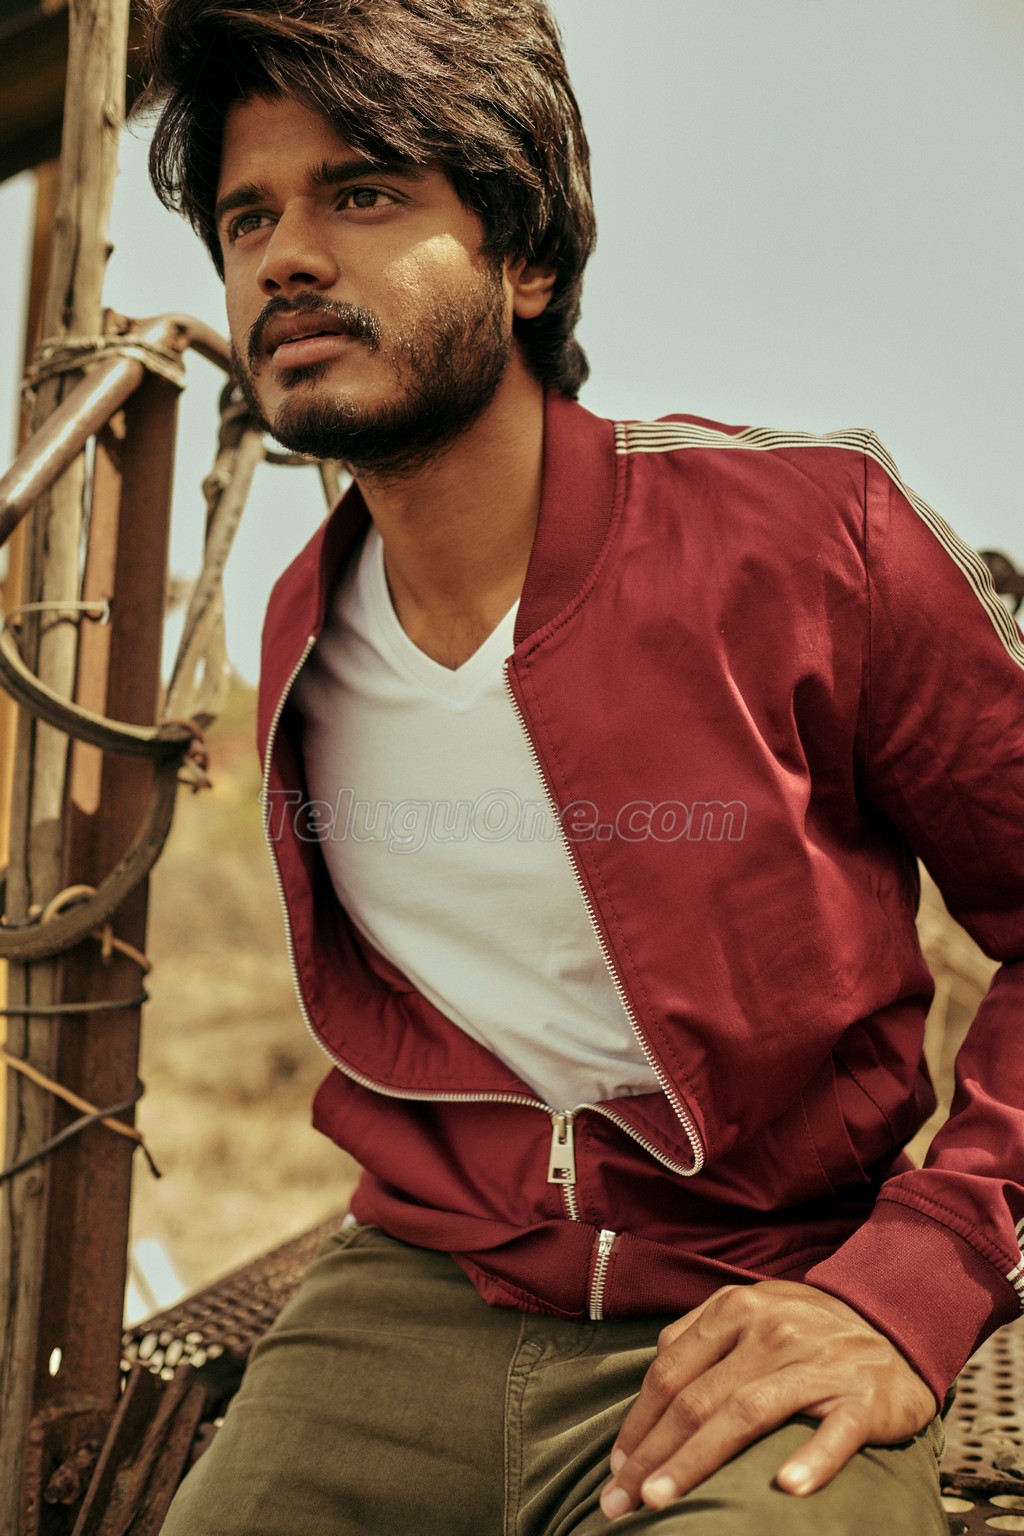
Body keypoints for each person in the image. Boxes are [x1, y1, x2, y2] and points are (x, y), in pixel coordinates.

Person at [140, 1, 1024, 1530]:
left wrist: (920, 1275)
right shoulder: (299, 631)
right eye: (246, 217)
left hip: (770, 1284)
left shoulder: (817, 538)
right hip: (410, 1293)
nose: (284, 258)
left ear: (526, 258)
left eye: (363, 193)